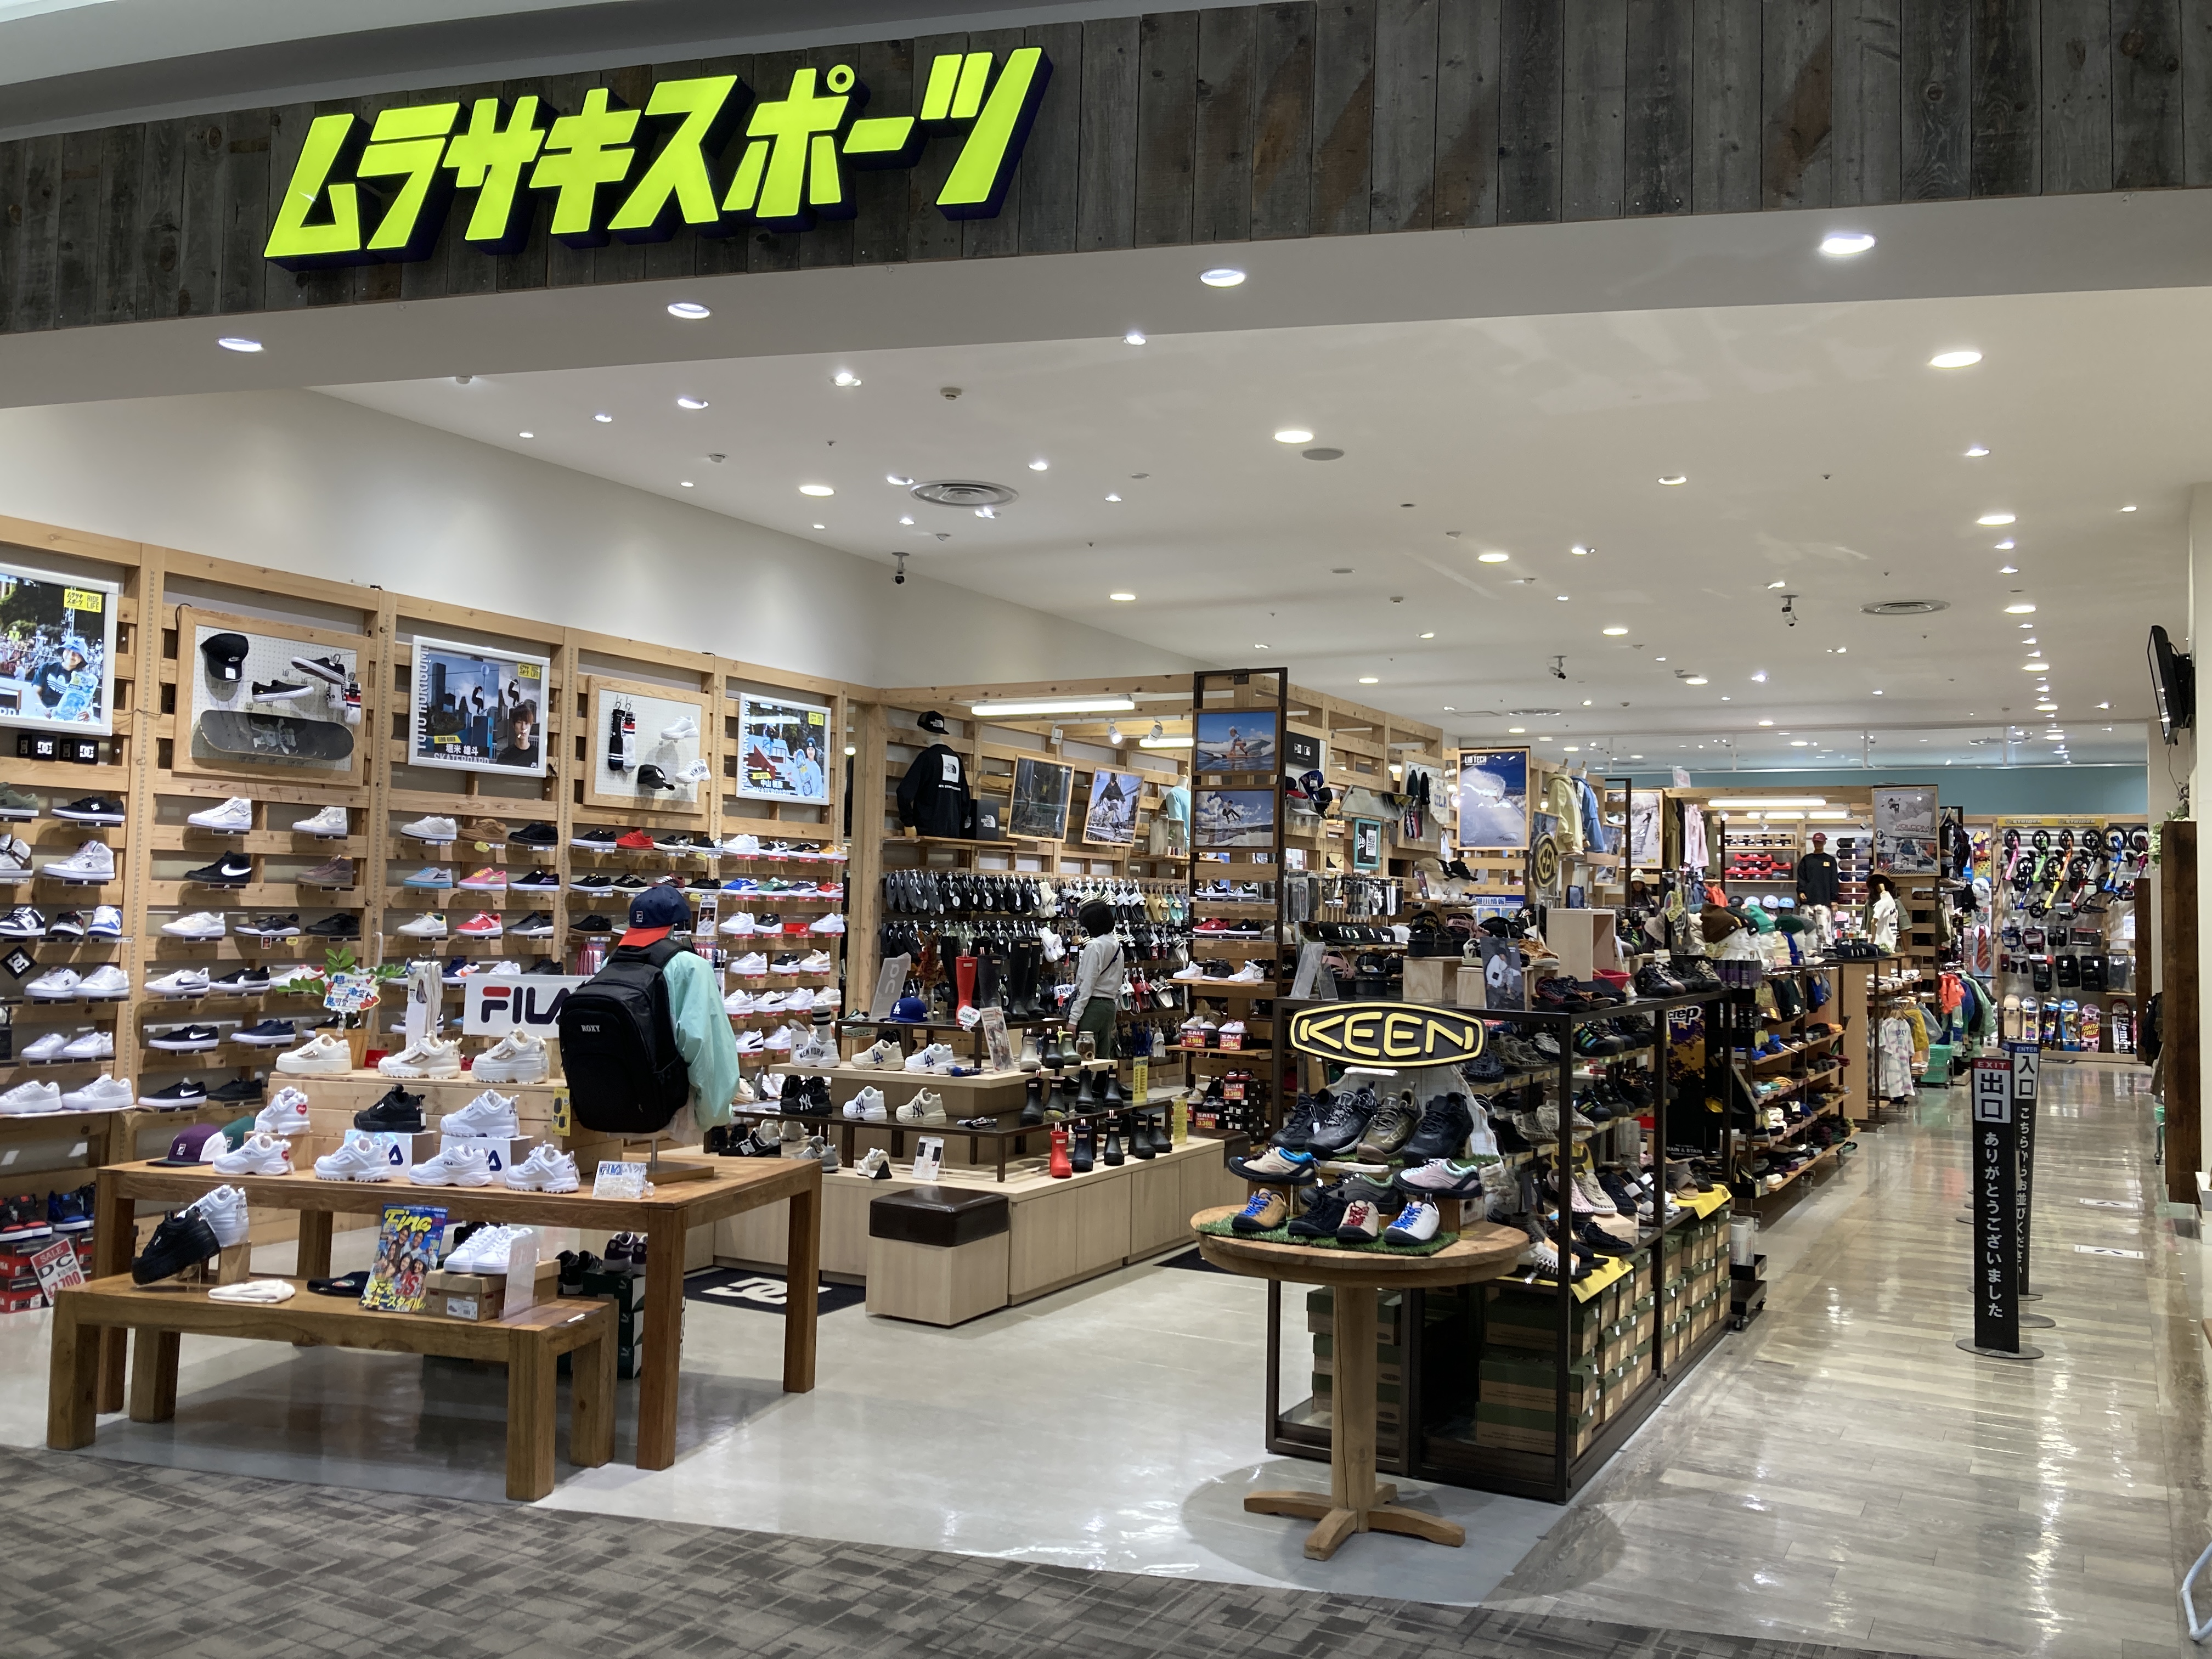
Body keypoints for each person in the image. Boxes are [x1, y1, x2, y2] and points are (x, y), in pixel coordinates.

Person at [1064, 899, 1126, 1059]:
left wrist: (1073, 1019)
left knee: (1083, 1057)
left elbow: (1086, 985)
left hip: (1092, 1008)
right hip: (1110, 1008)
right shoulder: (1117, 946)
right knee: (1103, 1059)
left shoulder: (1094, 946)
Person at [496, 699, 540, 768]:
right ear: (514, 725)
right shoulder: (505, 756)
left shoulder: (539, 755)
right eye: (519, 722)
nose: (523, 727)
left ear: (531, 726)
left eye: (527, 723)